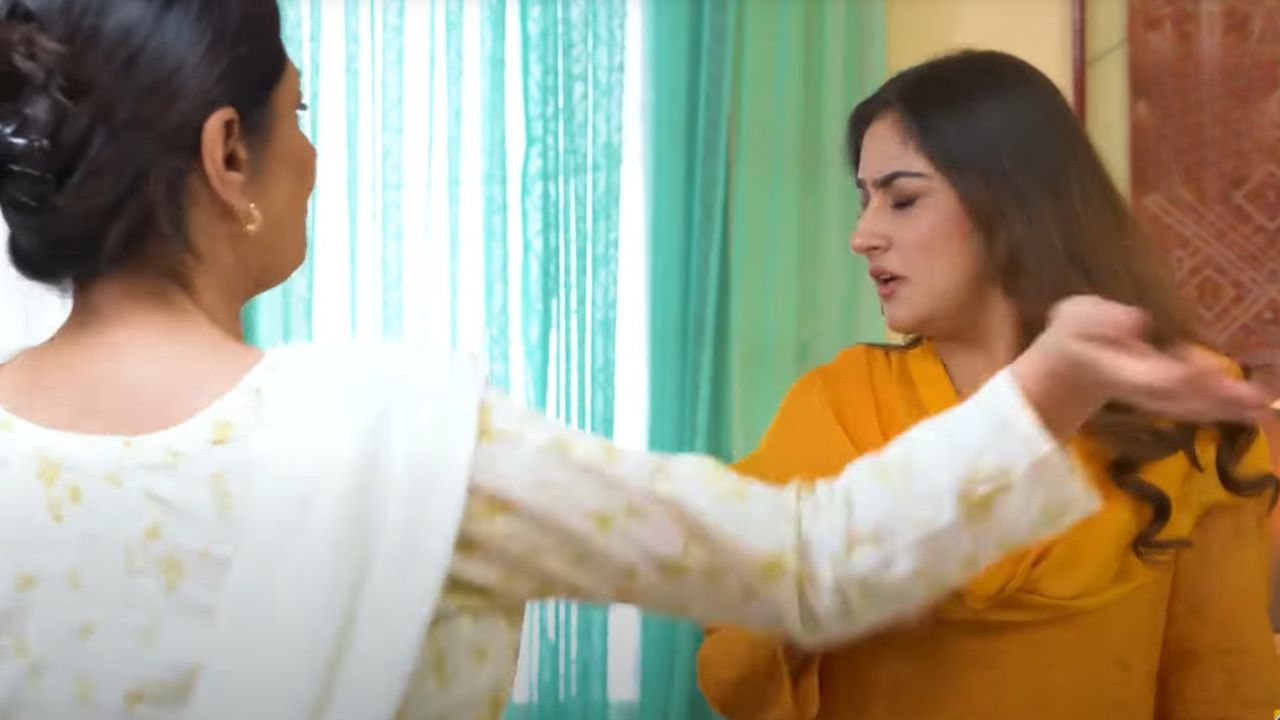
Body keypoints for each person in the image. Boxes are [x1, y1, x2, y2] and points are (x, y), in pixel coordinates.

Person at [0, 3, 1265, 718]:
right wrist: (1054, 381)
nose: (316, 158)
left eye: (901, 197)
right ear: (229, 154)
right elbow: (811, 564)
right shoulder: (410, 448)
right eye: (301, 116)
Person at [696, 49, 1280, 720]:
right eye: (864, 201)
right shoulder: (841, 403)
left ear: (1012, 201)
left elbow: (1220, 688)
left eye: (902, 199)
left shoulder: (1180, 415)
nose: (863, 236)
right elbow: (742, 642)